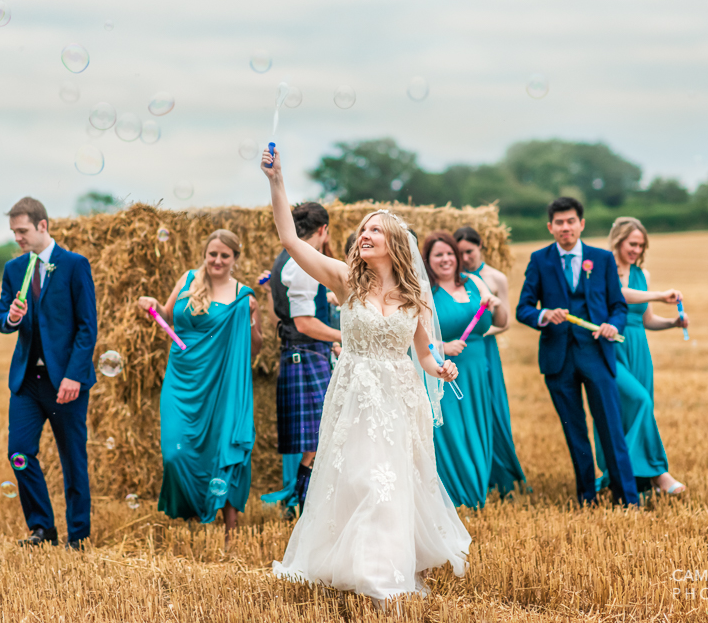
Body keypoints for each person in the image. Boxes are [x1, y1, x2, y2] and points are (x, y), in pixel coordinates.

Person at [262, 147, 469, 602]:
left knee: (389, 480)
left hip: (399, 396)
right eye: (362, 230)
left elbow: (425, 356)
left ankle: (382, 572)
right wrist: (277, 183)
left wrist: (442, 366)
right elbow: (290, 243)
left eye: (375, 230)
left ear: (395, 243)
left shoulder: (415, 296)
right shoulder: (344, 279)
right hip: (354, 393)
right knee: (356, 478)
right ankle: (353, 563)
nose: (364, 235)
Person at [137, 230, 262, 541]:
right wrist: (153, 306)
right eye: (212, 254)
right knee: (175, 454)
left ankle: (231, 529)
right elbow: (168, 314)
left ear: (235, 259)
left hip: (220, 382)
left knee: (224, 445)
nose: (217, 260)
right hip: (181, 379)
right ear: (205, 254)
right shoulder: (188, 278)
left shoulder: (243, 297)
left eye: (224, 255)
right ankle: (193, 509)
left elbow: (254, 349)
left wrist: (251, 323)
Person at [515, 197, 638, 507]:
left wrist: (612, 325)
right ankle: (587, 497)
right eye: (559, 222)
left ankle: (628, 498)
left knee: (611, 427)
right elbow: (523, 308)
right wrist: (543, 316)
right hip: (558, 359)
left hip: (597, 353)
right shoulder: (539, 260)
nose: (565, 227)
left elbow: (618, 305)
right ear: (550, 227)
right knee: (575, 432)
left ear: (581, 224)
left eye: (571, 221)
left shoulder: (603, 259)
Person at [0, 197, 97, 549]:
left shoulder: (74, 265)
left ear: (42, 226)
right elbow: (1, 320)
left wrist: (73, 376)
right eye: (13, 232)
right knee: (19, 453)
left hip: (65, 382)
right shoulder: (13, 269)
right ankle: (43, 529)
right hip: (26, 381)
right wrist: (11, 319)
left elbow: (87, 328)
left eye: (22, 231)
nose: (17, 238)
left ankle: (78, 536)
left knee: (73, 460)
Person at [595, 217, 688, 496]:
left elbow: (645, 319)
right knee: (638, 402)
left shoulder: (642, 275)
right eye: (631, 244)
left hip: (638, 349)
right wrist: (659, 294)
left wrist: (673, 323)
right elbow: (620, 295)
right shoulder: (603, 268)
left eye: (640, 245)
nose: (636, 250)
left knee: (635, 410)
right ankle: (659, 473)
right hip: (611, 349)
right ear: (618, 240)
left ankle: (628, 479)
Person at [267, 202, 342, 512]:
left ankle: (301, 503)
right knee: (320, 439)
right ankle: (301, 503)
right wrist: (346, 336)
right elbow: (304, 322)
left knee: (317, 441)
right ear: (323, 230)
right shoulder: (302, 264)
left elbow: (279, 316)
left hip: (298, 353)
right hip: (307, 354)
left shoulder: (285, 260)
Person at [424, 231, 506, 508]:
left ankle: (477, 492)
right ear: (428, 260)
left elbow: (502, 319)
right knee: (454, 433)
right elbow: (414, 336)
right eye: (439, 255)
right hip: (444, 371)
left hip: (477, 370)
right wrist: (443, 346)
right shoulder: (424, 292)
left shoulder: (473, 282)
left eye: (450, 254)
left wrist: (496, 303)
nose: (446, 259)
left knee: (478, 429)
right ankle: (458, 495)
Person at [454, 226, 530, 497]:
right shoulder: (452, 279)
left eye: (469, 252)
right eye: (459, 252)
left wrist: (476, 334)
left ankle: (499, 473)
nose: (464, 258)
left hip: (483, 348)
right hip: (456, 349)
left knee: (491, 405)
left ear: (481, 246)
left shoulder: (494, 278)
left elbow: (505, 321)